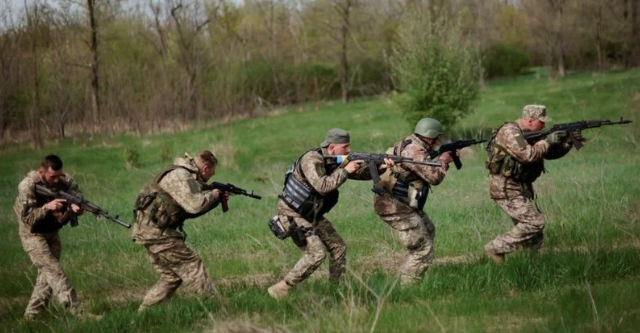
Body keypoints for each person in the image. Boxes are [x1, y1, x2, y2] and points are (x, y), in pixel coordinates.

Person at [267, 128, 388, 299]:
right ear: (332, 147)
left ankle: (335, 290)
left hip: (310, 213)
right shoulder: (311, 159)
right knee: (316, 254)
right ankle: (282, 288)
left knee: (339, 247)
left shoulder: (335, 159)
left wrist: (381, 167)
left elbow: (359, 173)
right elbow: (322, 186)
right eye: (345, 147)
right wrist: (346, 170)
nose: (348, 150)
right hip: (292, 213)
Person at [132, 150, 227, 311]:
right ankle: (216, 309)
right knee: (192, 264)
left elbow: (189, 210)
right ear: (204, 169)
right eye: (211, 173)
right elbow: (195, 206)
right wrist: (214, 196)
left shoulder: (182, 173)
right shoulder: (182, 176)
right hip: (157, 232)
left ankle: (145, 312)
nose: (211, 177)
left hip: (150, 230)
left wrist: (214, 199)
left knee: (172, 276)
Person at [484, 105, 574, 263]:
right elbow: (528, 155)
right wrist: (547, 141)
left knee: (534, 237)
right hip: (506, 189)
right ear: (530, 121)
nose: (544, 125)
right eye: (541, 122)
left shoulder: (530, 134)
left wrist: (567, 143)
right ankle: (496, 248)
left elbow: (548, 153)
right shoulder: (510, 132)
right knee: (534, 222)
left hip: (519, 188)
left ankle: (529, 267)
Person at [14, 155, 98, 320]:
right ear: (41, 172)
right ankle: (78, 313)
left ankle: (31, 317)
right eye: (52, 176)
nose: (57, 180)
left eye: (59, 175)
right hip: (32, 234)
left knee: (46, 278)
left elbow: (77, 198)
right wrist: (46, 207)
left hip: (52, 232)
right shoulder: (28, 185)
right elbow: (28, 219)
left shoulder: (65, 181)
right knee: (54, 271)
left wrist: (76, 208)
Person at [373, 118, 453, 285]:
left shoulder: (410, 142)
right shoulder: (415, 150)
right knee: (422, 248)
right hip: (394, 205)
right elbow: (434, 177)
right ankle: (408, 286)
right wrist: (444, 161)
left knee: (428, 230)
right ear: (430, 137)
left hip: (401, 202)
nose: (438, 141)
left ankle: (411, 272)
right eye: (437, 137)